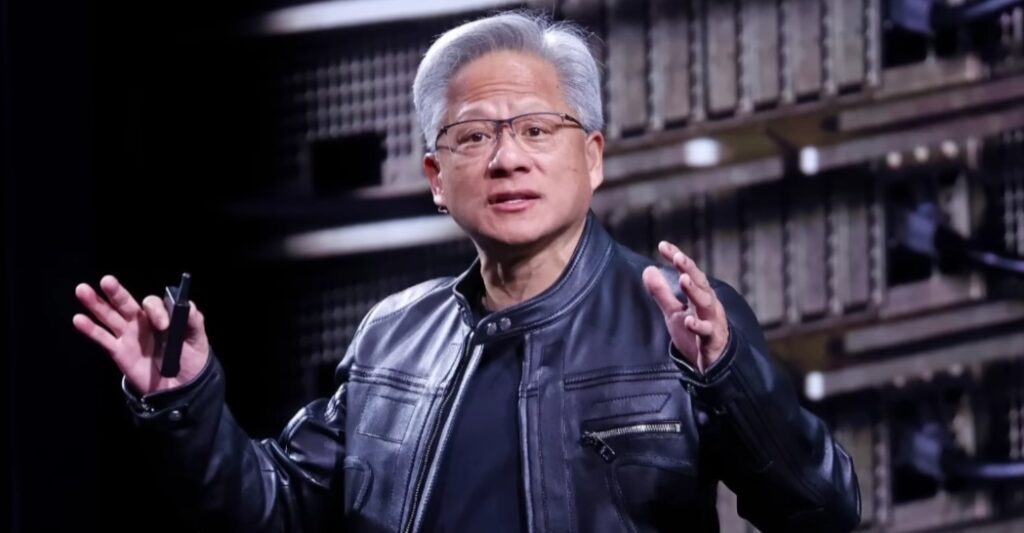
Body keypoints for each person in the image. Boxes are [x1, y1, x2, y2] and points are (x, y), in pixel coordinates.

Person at [73, 11, 860, 533]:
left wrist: (727, 380)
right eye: (474, 135)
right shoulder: (392, 338)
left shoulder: (681, 323)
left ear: (592, 157)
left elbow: (823, 512)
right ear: (436, 178)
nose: (507, 157)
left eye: (537, 129)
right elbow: (274, 508)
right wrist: (183, 402)